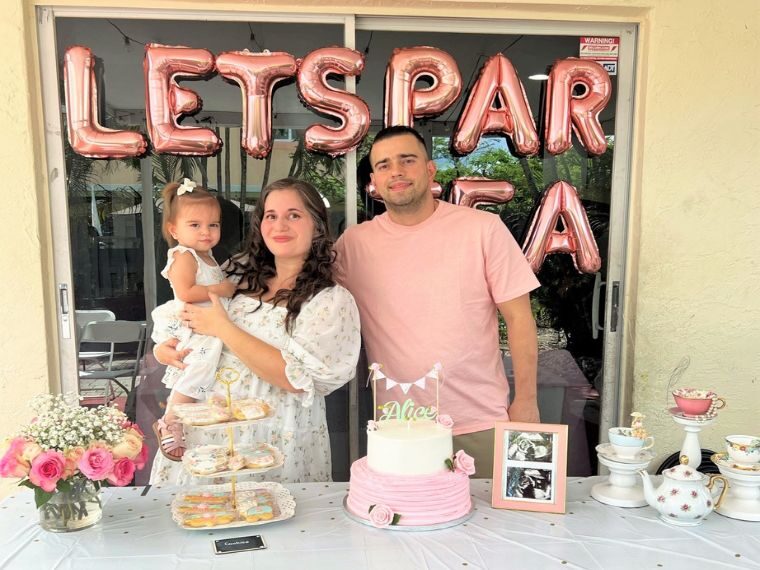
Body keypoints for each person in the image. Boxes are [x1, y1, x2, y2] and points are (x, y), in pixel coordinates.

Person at [334, 125, 540, 478]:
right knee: (406, 527)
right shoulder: (354, 245)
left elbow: (519, 318)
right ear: (374, 181)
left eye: (407, 160)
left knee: (493, 529)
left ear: (430, 170)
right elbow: (306, 295)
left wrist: (526, 401)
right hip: (401, 429)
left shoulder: (482, 229)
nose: (395, 171)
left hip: (480, 421)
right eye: (383, 165)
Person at [150, 178, 361, 485]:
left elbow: (297, 380)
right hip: (203, 432)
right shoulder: (235, 272)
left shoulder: (330, 300)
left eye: (294, 215)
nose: (280, 225)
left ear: (317, 226)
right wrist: (164, 348)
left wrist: (224, 328)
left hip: (274, 437)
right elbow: (187, 314)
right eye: (271, 216)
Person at [151, 179, 237, 462]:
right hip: (193, 323)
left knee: (204, 367)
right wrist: (220, 289)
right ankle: (170, 419)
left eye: (213, 225)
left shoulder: (207, 257)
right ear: (173, 230)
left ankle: (182, 418)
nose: (206, 232)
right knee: (199, 365)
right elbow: (186, 292)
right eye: (195, 225)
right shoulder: (183, 256)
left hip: (207, 322)